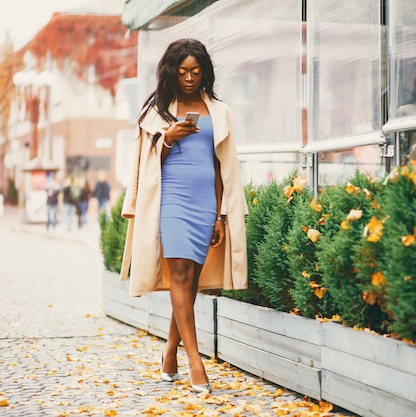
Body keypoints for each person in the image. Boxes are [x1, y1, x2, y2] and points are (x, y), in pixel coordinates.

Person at [119, 38, 248, 394]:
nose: (190, 78)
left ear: (204, 72)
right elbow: (145, 168)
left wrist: (222, 215)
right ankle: (195, 362)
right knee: (178, 273)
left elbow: (224, 167)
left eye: (196, 71)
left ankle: (169, 353)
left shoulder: (219, 111)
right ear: (171, 72)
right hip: (171, 203)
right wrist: (169, 138)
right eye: (183, 71)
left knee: (190, 281)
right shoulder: (157, 113)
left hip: (206, 202)